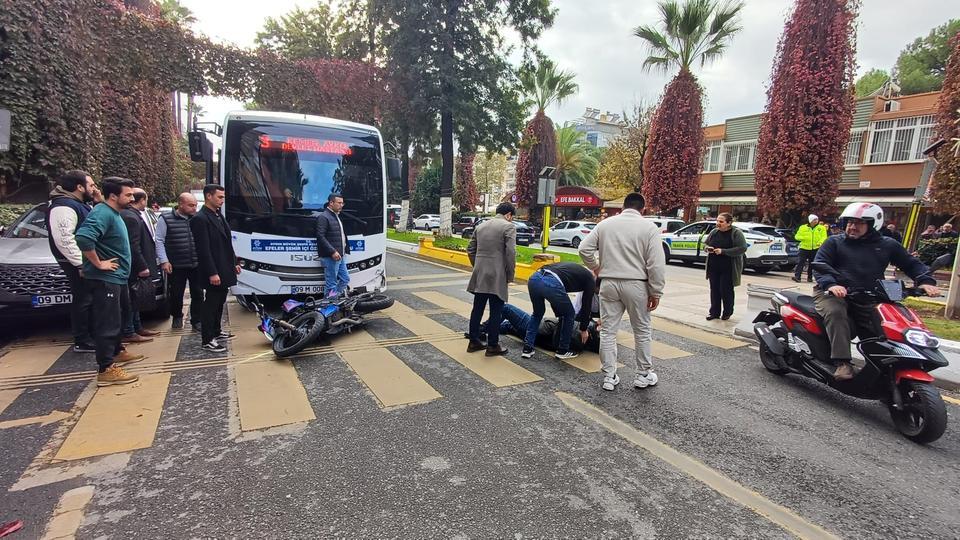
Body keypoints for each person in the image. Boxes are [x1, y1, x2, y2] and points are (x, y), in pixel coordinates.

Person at [813, 202, 939, 381]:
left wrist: (925, 281)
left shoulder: (888, 245)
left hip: (869, 294)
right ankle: (842, 362)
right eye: (850, 222)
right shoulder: (834, 242)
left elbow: (911, 264)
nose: (852, 227)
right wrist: (831, 285)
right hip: (832, 292)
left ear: (873, 225)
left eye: (859, 223)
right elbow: (821, 265)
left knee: (884, 323)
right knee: (836, 313)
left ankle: (884, 367)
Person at [578, 192, 665, 392]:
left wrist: (596, 267)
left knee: (608, 331)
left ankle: (609, 376)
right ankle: (643, 375)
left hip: (608, 283)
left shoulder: (605, 224)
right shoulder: (649, 228)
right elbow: (656, 264)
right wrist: (656, 291)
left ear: (623, 206)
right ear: (642, 209)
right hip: (637, 285)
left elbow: (584, 249)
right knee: (642, 330)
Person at [74, 177, 144, 386]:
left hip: (117, 277)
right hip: (106, 278)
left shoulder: (108, 210)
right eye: (128, 194)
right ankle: (106, 369)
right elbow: (84, 237)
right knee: (108, 322)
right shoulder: (104, 213)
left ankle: (116, 352)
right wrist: (98, 263)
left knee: (120, 315)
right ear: (114, 196)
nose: (132, 198)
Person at [46, 170, 96, 353]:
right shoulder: (63, 206)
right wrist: (80, 263)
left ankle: (89, 335)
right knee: (83, 300)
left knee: (89, 299)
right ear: (79, 187)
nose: (94, 188)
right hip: (79, 263)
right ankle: (82, 340)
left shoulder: (76, 203)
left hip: (85, 260)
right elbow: (64, 239)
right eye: (91, 185)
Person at [190, 184, 241, 353]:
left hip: (224, 266)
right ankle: (208, 338)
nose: (222, 200)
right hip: (213, 269)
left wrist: (234, 263)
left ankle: (217, 331)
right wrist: (212, 272)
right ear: (208, 196)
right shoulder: (200, 218)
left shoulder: (218, 215)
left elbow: (227, 242)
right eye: (219, 197)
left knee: (220, 301)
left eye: (223, 197)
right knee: (210, 304)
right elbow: (203, 249)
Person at [466, 202, 517, 356]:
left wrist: (478, 266)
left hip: (480, 273)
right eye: (512, 217)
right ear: (509, 214)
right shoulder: (509, 227)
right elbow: (511, 253)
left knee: (477, 308)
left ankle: (474, 341)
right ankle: (493, 345)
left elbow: (470, 249)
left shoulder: (481, 226)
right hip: (497, 274)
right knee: (496, 310)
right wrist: (510, 275)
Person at [521, 261, 596, 360]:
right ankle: (562, 350)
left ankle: (527, 349)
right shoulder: (590, 280)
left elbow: (556, 296)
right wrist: (583, 329)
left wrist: (559, 314)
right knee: (570, 314)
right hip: (551, 282)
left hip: (534, 278)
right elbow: (586, 305)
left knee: (537, 314)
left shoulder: (572, 270)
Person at [473, 303, 601, 354]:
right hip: (537, 336)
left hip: (536, 328)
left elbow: (565, 319)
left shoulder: (582, 333)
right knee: (508, 326)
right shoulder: (587, 338)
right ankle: (482, 330)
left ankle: (480, 330)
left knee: (506, 309)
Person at [120, 188, 160, 343]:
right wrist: (142, 266)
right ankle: (129, 331)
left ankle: (137, 327)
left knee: (134, 299)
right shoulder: (130, 217)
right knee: (131, 298)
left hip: (133, 265)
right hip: (134, 267)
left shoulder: (132, 215)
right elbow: (133, 245)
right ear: (142, 200)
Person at [157, 193, 202, 330]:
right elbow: (159, 240)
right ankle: (177, 316)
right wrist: (164, 261)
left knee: (198, 293)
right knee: (176, 294)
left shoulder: (197, 219)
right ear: (181, 204)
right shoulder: (166, 219)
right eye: (190, 205)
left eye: (195, 205)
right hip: (176, 264)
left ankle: (197, 320)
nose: (194, 208)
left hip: (196, 263)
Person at [703, 213, 748, 321]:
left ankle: (727, 312)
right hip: (714, 266)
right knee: (714, 290)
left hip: (729, 268)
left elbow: (742, 248)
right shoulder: (714, 232)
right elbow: (705, 244)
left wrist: (723, 251)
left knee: (725, 290)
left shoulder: (736, 233)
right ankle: (714, 312)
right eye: (717, 221)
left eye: (721, 222)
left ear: (729, 223)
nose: (718, 223)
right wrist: (707, 248)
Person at [315, 194, 350, 297]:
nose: (341, 205)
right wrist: (332, 251)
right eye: (339, 203)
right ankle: (328, 305)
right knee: (331, 284)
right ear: (331, 203)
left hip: (340, 255)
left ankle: (333, 299)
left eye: (342, 203)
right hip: (331, 257)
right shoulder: (324, 217)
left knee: (345, 279)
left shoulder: (336, 216)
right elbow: (320, 237)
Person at [792, 214, 827, 283]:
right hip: (804, 248)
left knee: (812, 263)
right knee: (800, 262)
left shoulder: (821, 228)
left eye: (816, 219)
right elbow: (797, 236)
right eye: (814, 220)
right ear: (810, 220)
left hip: (815, 248)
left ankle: (810, 277)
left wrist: (820, 242)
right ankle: (797, 277)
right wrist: (804, 238)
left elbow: (824, 237)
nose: (816, 221)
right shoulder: (803, 227)